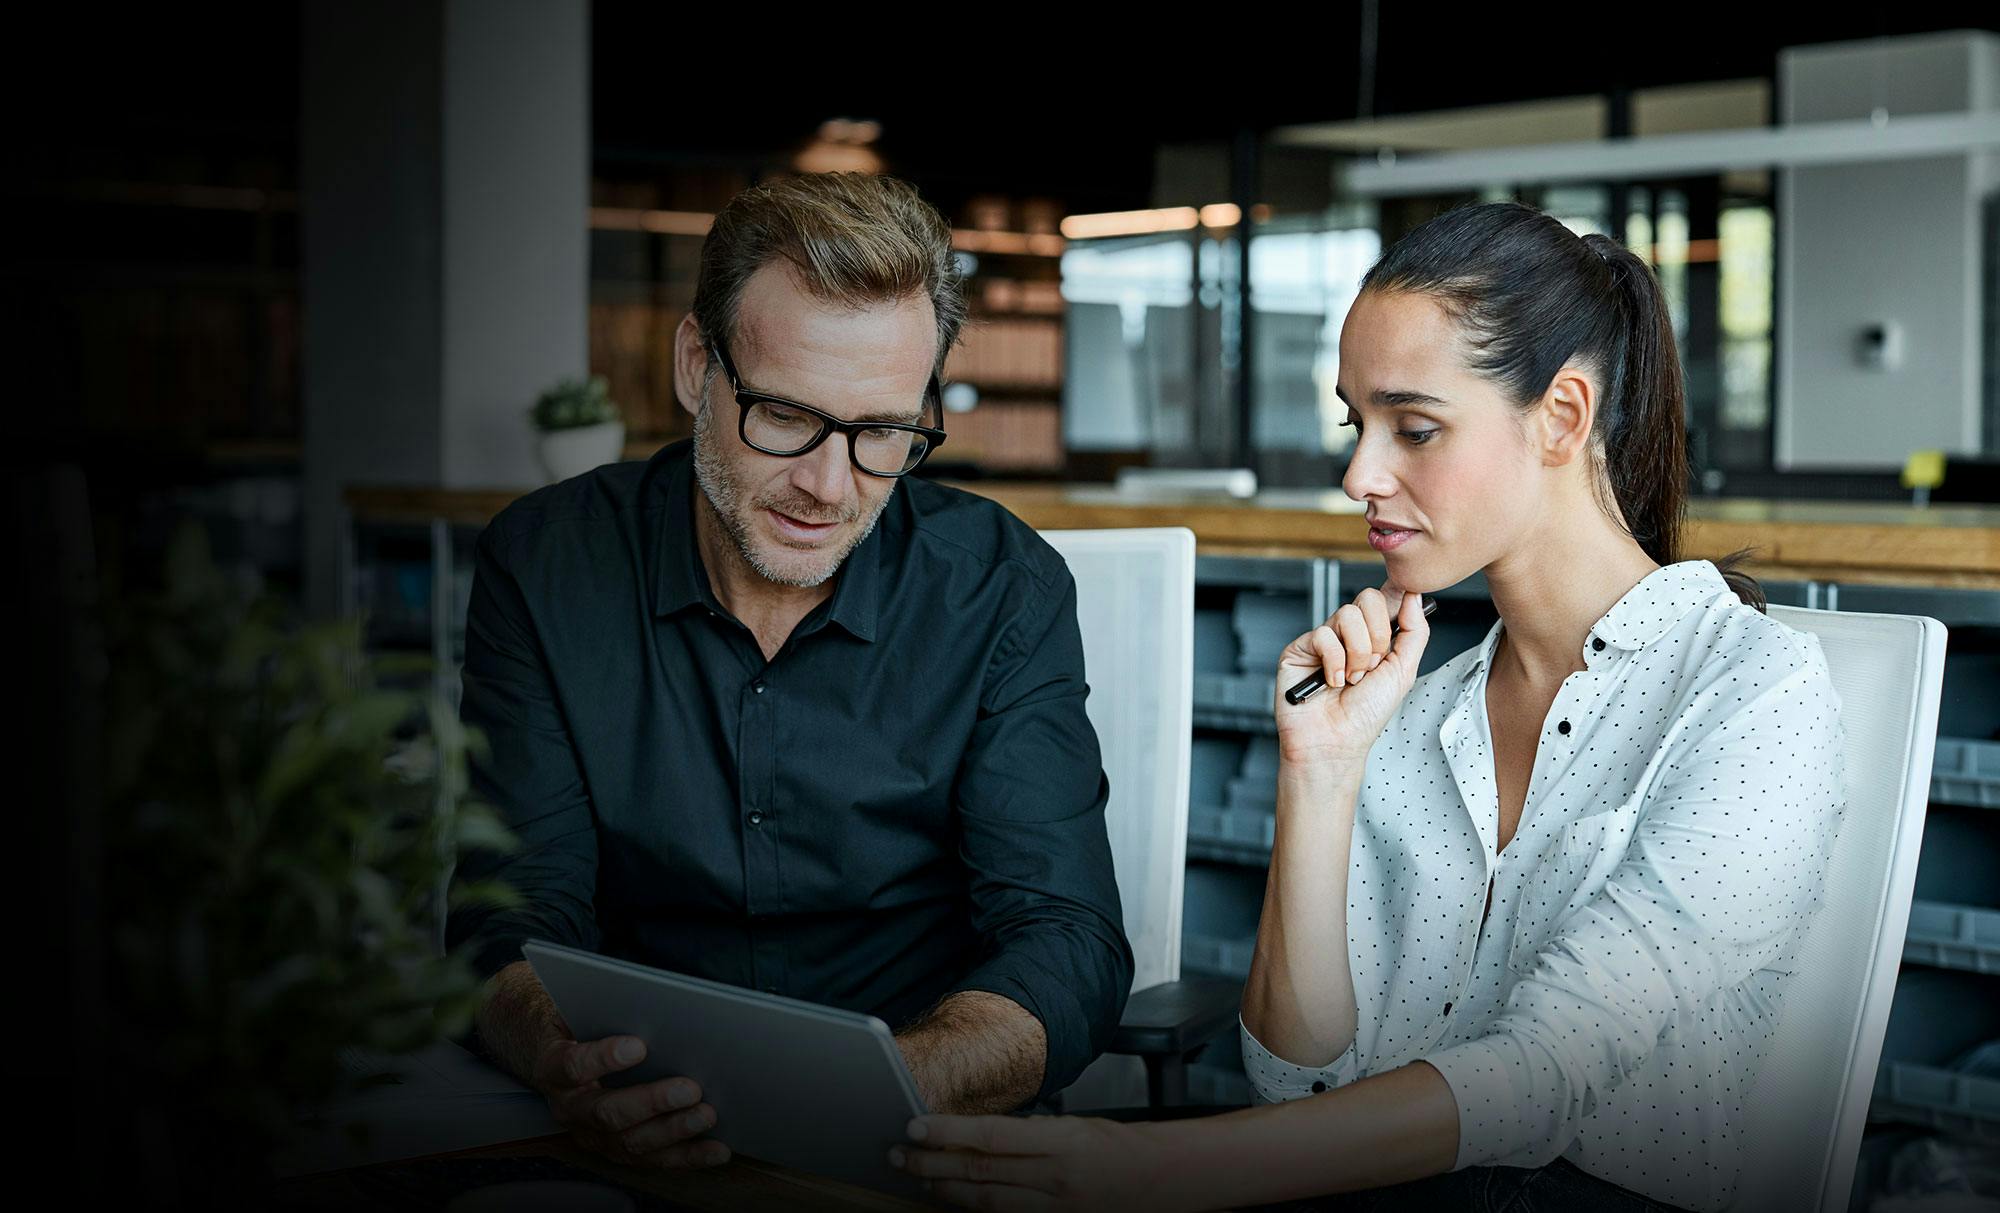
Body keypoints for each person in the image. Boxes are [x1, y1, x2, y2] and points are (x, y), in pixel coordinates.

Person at [894, 201, 1844, 1213]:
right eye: (1356, 423)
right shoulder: (1414, 708)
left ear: (1561, 416)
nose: (1357, 474)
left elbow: (1542, 1076)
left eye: (1414, 427)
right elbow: (1293, 1075)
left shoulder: (1753, 694)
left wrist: (1156, 1169)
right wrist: (1320, 772)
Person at [446, 172, 1132, 1171]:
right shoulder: (545, 565)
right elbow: (507, 908)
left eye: (881, 433)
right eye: (782, 414)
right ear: (695, 366)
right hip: (629, 1135)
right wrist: (565, 1058)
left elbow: (1064, 941)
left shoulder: (1000, 589)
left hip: (911, 1143)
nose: (826, 483)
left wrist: (882, 1087)